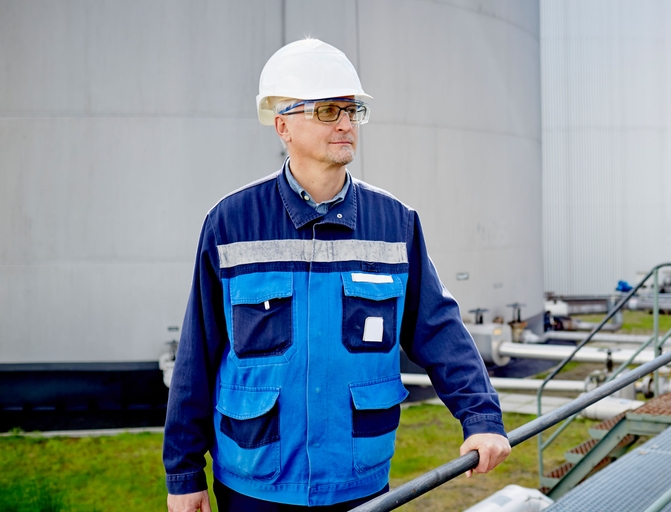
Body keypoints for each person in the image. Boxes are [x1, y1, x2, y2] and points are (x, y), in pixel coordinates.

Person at [164, 38, 510, 512]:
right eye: (328, 111)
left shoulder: (395, 223)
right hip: (254, 485)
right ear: (283, 124)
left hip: (357, 480)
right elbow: (196, 356)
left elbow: (438, 327)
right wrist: (183, 473)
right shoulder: (230, 223)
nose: (346, 123)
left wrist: (482, 417)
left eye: (352, 111)